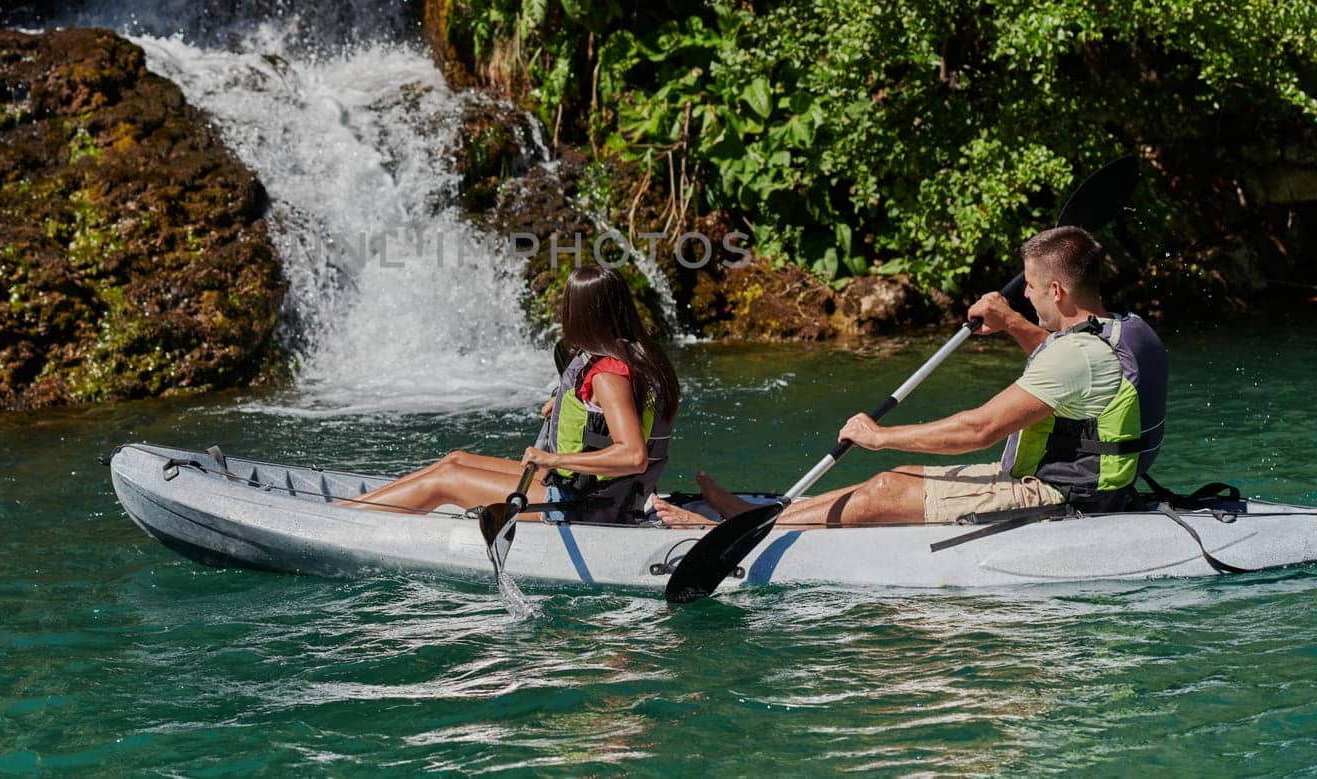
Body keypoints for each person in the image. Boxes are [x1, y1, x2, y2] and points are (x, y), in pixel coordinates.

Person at [652, 226, 1166, 528]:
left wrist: (880, 437)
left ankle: (733, 528)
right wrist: (1012, 324)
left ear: (1055, 290)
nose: (1023, 295)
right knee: (899, 480)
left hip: (1060, 498)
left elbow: (977, 431)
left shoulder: (1075, 357)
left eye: (1030, 287)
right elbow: (1069, 372)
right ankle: (753, 513)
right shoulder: (1125, 329)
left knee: (882, 488)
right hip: (1080, 484)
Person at [348, 265, 680, 524]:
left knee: (446, 480)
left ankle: (342, 522)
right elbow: (616, 412)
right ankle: (346, 509)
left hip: (583, 506)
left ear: (581, 313)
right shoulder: (639, 356)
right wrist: (568, 405)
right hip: (593, 493)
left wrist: (553, 459)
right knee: (455, 460)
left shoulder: (609, 373)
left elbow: (633, 455)